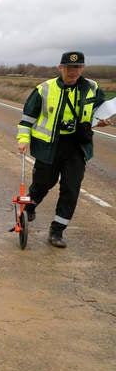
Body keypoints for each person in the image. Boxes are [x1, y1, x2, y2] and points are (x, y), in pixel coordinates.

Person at [17, 51, 109, 248]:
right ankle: (30, 207)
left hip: (77, 146)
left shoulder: (92, 88)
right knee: (43, 183)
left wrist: (102, 121)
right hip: (48, 145)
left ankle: (57, 231)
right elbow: (27, 119)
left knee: (71, 189)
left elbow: (101, 112)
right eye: (69, 68)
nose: (73, 72)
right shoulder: (44, 89)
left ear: (82, 68)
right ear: (60, 68)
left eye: (77, 68)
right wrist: (23, 139)